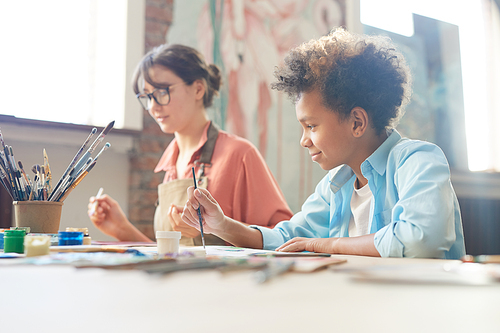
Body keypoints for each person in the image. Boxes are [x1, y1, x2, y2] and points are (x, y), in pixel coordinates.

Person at [181, 28, 466, 259]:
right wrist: (221, 224)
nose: (304, 141)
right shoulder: (338, 184)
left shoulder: (418, 160)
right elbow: (288, 238)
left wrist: (325, 244)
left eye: (311, 126)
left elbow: (420, 240)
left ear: (356, 122)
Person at [88, 44, 293, 245]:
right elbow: (175, 255)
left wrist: (217, 227)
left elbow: (285, 238)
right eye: (148, 96)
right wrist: (123, 229)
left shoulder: (239, 155)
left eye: (162, 92)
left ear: (198, 89)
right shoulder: (168, 166)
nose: (153, 106)